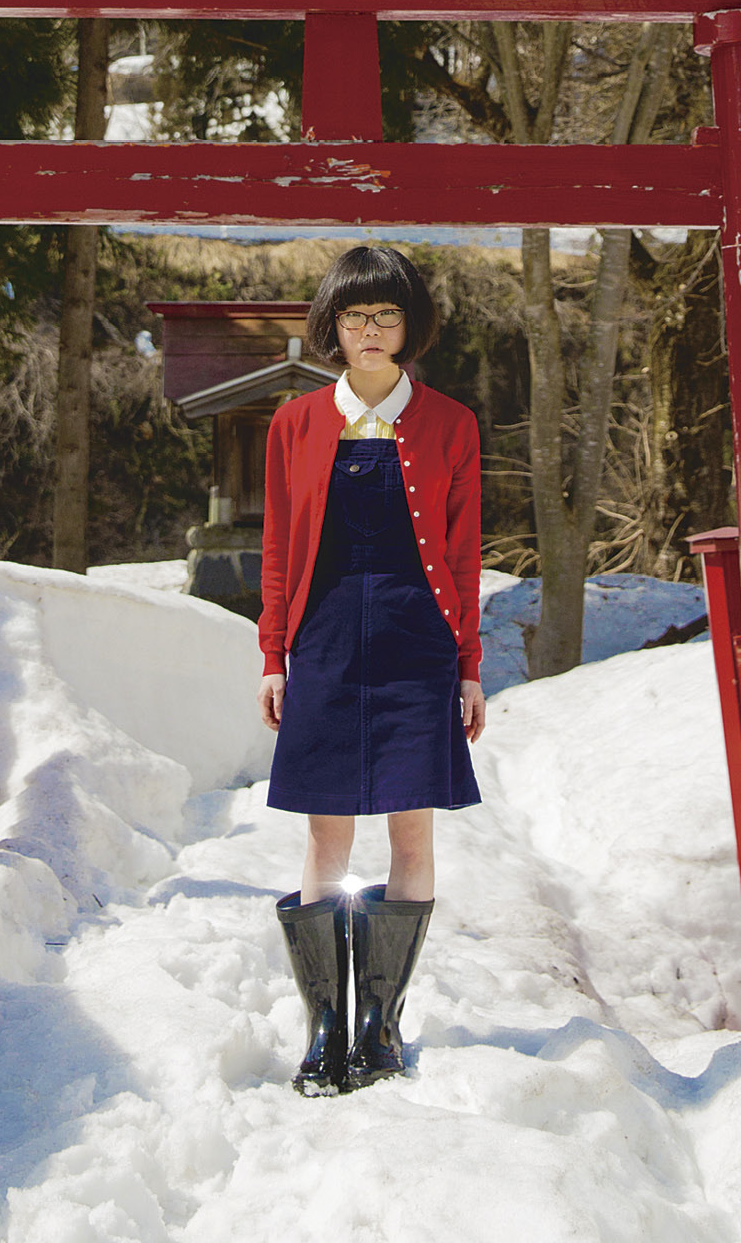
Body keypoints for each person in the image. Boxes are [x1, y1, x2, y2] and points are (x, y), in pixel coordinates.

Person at [259, 242, 484, 1095]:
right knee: (326, 833)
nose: (371, 331)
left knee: (411, 828)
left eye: (387, 316)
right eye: (355, 316)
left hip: (415, 637)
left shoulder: (452, 423)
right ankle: (323, 1032)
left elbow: (461, 555)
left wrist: (467, 666)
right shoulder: (296, 423)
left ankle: (380, 1024)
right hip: (322, 639)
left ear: (410, 327)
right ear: (334, 327)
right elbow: (278, 546)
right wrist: (273, 652)